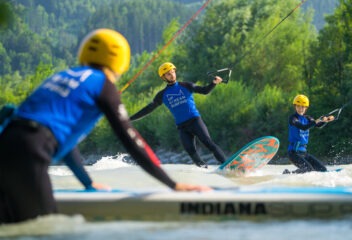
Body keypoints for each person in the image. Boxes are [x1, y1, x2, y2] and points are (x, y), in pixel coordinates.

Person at [0, 29, 211, 224]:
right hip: (30, 151)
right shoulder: (102, 83)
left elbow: (64, 141)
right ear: (119, 61)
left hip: (7, 143)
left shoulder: (62, 76)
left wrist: (88, 184)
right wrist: (173, 185)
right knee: (43, 227)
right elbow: (131, 139)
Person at [130, 62, 227, 168]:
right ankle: (204, 170)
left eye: (173, 72)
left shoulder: (186, 85)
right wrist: (130, 119)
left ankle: (226, 165)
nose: (172, 75)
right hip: (182, 127)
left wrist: (214, 83)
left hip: (195, 121)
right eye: (168, 74)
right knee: (191, 153)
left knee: (209, 143)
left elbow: (204, 91)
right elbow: (148, 109)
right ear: (163, 77)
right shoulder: (162, 95)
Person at [283, 94, 335, 174]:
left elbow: (317, 125)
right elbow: (304, 127)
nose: (301, 109)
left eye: (303, 107)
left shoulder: (308, 118)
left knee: (323, 170)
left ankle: (291, 173)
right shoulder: (293, 118)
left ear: (306, 108)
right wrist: (317, 120)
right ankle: (288, 173)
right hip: (293, 153)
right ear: (295, 106)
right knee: (308, 170)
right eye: (298, 106)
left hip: (304, 153)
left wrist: (326, 120)